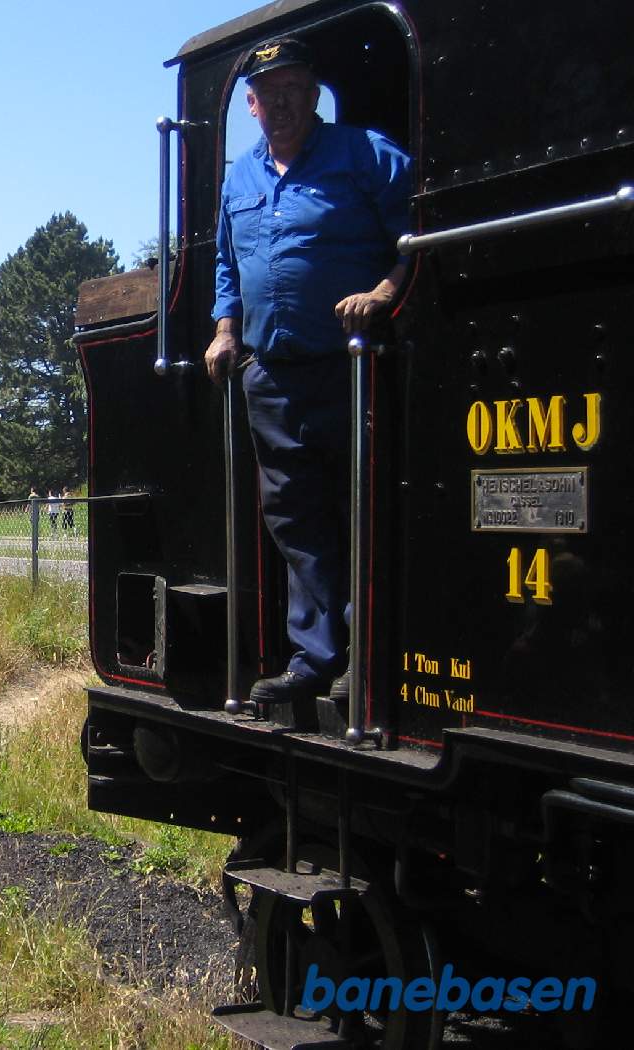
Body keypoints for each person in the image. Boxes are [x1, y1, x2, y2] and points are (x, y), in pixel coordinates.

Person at [204, 37, 411, 707]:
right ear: (252, 105)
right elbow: (227, 264)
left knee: (360, 510)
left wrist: (384, 292)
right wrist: (226, 328)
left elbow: (415, 232)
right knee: (295, 519)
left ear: (313, 93)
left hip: (350, 366)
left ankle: (370, 654)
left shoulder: (365, 154)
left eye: (295, 87)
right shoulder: (239, 177)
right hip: (272, 372)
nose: (283, 101)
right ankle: (315, 656)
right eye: (270, 93)